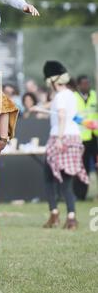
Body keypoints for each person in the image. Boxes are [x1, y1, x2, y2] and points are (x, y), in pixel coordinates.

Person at [41, 61, 88, 230]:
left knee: (48, 177)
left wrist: (59, 139)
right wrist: (39, 108)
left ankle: (54, 214)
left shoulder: (59, 96)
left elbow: (61, 116)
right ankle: (71, 217)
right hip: (74, 136)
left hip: (59, 137)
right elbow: (63, 111)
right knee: (67, 181)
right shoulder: (71, 94)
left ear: (51, 80)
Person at [74, 75, 98, 200]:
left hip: (95, 137)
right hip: (81, 138)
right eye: (83, 84)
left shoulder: (94, 95)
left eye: (88, 83)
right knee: (82, 167)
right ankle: (80, 195)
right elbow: (71, 115)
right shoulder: (74, 97)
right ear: (78, 85)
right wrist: (85, 123)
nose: (86, 86)